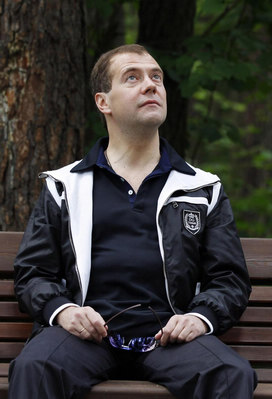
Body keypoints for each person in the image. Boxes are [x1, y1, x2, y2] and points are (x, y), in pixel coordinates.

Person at [10, 44, 256, 399]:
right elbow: (33, 273)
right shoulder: (65, 186)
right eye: (132, 77)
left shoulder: (200, 188)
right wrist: (62, 311)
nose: (151, 85)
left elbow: (229, 280)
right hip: (84, 337)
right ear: (103, 102)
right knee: (35, 367)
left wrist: (200, 318)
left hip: (168, 341)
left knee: (231, 374)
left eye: (156, 76)